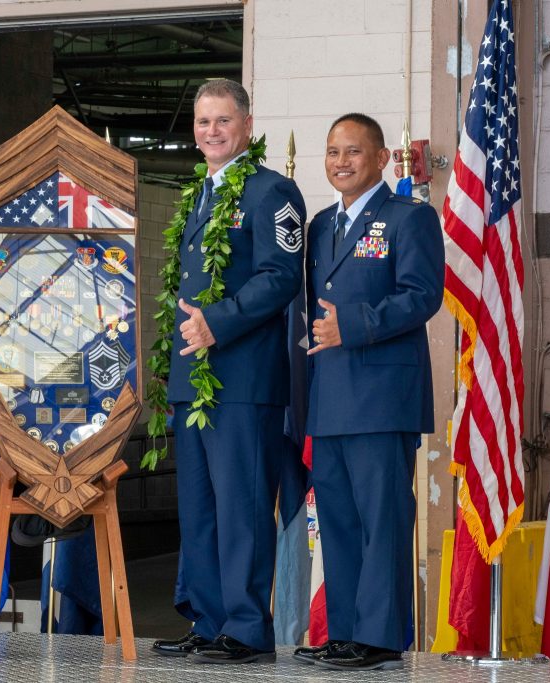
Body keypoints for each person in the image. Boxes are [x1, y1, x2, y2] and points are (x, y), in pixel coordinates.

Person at [151, 78, 305, 664]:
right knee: (200, 511)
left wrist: (219, 321)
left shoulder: (273, 192)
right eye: (202, 122)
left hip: (242, 381)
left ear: (246, 123)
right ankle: (211, 619)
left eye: (222, 120)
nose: (211, 132)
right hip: (195, 382)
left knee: (241, 508)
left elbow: (281, 277)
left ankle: (245, 628)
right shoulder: (200, 195)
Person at [295, 113, 443, 671]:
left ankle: (379, 638)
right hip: (329, 398)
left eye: (352, 152)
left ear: (382, 159)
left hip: (381, 399)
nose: (340, 162)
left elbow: (422, 295)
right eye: (332, 152)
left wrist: (353, 326)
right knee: (337, 521)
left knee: (382, 520)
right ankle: (346, 633)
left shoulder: (410, 218)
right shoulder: (318, 225)